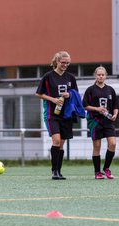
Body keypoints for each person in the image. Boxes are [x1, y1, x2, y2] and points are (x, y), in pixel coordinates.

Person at [36, 51, 79, 180]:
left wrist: (69, 95)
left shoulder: (70, 77)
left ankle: (59, 171)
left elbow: (75, 93)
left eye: (67, 63)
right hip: (52, 114)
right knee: (56, 140)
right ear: (57, 61)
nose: (65, 65)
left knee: (61, 144)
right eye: (63, 62)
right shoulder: (48, 76)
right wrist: (53, 99)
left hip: (66, 114)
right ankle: (54, 171)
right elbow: (38, 93)